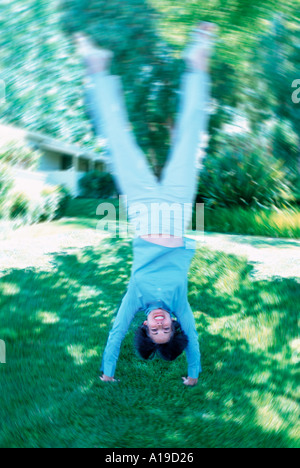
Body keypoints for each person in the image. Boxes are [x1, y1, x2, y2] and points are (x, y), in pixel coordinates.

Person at [75, 23, 216, 386]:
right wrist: (193, 372)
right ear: (173, 324)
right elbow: (194, 340)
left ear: (146, 327)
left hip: (141, 208)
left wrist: (108, 372)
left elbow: (115, 333)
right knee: (190, 141)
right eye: (166, 329)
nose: (159, 326)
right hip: (175, 210)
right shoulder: (180, 305)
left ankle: (98, 68)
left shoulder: (134, 298)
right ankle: (198, 59)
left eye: (154, 332)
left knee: (116, 144)